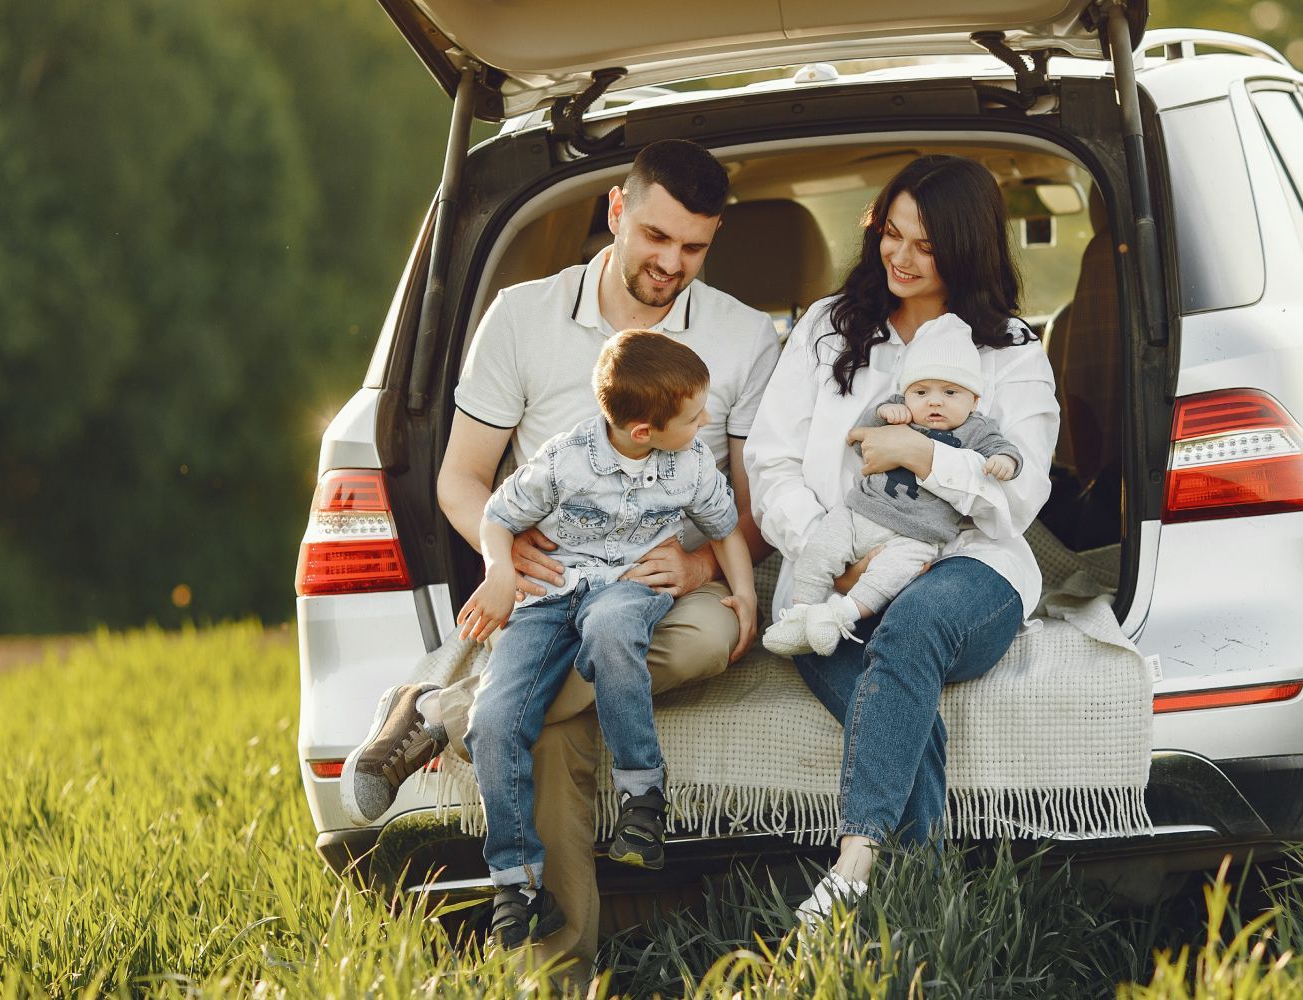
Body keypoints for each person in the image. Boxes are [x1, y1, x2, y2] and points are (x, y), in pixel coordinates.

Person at [338, 139, 778, 964]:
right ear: (616, 209)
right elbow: (461, 480)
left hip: (664, 583)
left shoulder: (746, 338)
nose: (671, 264)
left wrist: (701, 567)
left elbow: (749, 510)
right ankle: (556, 974)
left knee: (708, 638)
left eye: (694, 248)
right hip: (553, 578)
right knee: (549, 733)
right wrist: (504, 561)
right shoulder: (521, 316)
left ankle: (443, 712)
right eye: (655, 236)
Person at [744, 154, 1057, 918]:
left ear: (966, 248)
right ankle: (918, 916)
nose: (900, 257)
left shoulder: (1011, 349)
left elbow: (1019, 498)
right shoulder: (827, 328)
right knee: (888, 698)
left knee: (912, 625)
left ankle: (854, 859)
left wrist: (925, 457)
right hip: (830, 573)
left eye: (924, 243)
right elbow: (769, 461)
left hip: (970, 568)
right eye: (891, 234)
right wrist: (835, 549)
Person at [453, 330, 758, 945]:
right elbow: (498, 516)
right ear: (642, 431)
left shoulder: (691, 464)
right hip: (551, 592)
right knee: (493, 720)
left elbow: (724, 527)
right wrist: (500, 571)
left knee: (612, 629)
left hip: (628, 582)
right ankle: (516, 883)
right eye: (695, 416)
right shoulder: (567, 458)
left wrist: (745, 594)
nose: (705, 423)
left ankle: (641, 799)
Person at [761, 314, 1023, 657]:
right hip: (861, 512)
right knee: (821, 547)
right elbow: (859, 442)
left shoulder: (976, 430)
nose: (934, 401)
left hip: (917, 535)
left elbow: (1007, 452)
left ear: (973, 400)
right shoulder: (897, 411)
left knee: (890, 576)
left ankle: (840, 615)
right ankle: (801, 612)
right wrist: (884, 416)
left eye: (950, 392)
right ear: (906, 392)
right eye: (921, 391)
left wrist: (1004, 463)